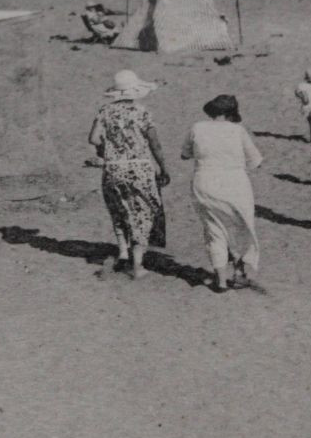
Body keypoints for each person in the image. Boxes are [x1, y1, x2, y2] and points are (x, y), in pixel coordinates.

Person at [88, 70, 171, 277]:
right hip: (139, 167)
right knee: (142, 212)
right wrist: (163, 166)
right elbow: (155, 143)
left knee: (119, 210)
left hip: (113, 167)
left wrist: (106, 148)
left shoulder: (105, 111)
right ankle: (137, 265)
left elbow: (94, 138)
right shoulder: (142, 112)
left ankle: (123, 253)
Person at [181, 95, 264, 292]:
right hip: (233, 182)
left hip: (204, 181)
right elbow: (256, 161)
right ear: (230, 113)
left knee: (214, 230)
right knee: (241, 227)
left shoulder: (197, 127)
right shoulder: (237, 130)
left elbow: (185, 154)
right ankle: (239, 272)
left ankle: (221, 280)